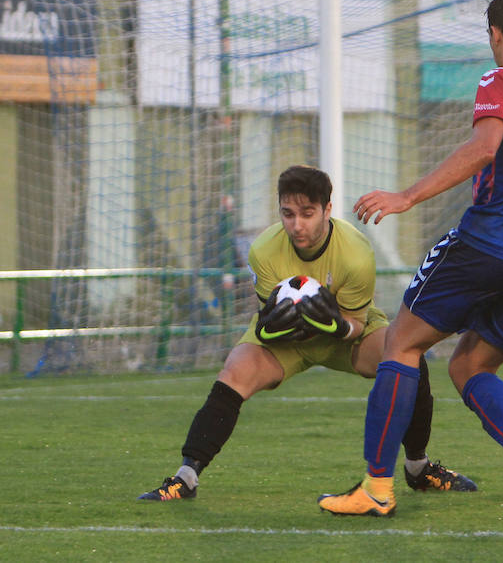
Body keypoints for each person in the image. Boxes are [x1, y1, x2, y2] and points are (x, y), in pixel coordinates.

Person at [317, 0, 503, 521]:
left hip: (488, 242)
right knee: (471, 365)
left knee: (401, 344)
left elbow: (484, 148)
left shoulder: (500, 80)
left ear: (495, 34)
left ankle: (377, 486)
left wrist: (406, 196)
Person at [137, 165, 476, 501]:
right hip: (288, 340)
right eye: (287, 213)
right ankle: (186, 477)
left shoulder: (356, 254)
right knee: (235, 371)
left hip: (347, 333)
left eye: (307, 213)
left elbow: (355, 323)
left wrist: (337, 325)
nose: (296, 224)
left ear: (328, 209)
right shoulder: (263, 250)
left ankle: (419, 467)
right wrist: (272, 327)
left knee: (408, 356)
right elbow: (268, 323)